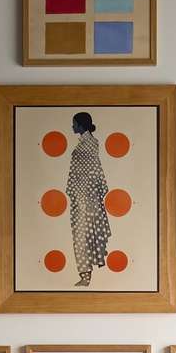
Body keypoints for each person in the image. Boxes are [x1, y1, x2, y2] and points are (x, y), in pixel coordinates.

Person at [65, 111, 110, 287]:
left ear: (81, 125)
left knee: (82, 236)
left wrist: (80, 195)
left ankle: (85, 276)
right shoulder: (88, 143)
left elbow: (92, 173)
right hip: (84, 197)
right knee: (83, 236)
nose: (72, 126)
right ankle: (85, 275)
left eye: (74, 123)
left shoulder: (88, 145)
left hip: (85, 198)